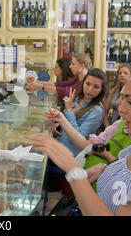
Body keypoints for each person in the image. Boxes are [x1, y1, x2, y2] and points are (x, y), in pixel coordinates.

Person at [31, 63, 131, 215]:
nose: (120, 107)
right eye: (121, 97)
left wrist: (73, 170)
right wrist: (106, 170)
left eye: (130, 101)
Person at [43, 68, 106, 199]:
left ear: (102, 90)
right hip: (58, 151)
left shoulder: (96, 110)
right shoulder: (77, 98)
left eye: (96, 87)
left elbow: (79, 138)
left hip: (72, 157)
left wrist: (69, 110)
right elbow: (65, 123)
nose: (90, 89)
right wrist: (57, 126)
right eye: (88, 84)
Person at [26, 53, 92, 105]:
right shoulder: (78, 78)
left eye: (73, 64)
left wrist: (41, 86)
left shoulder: (86, 81)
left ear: (82, 66)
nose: (70, 66)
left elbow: (66, 91)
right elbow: (62, 84)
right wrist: (38, 82)